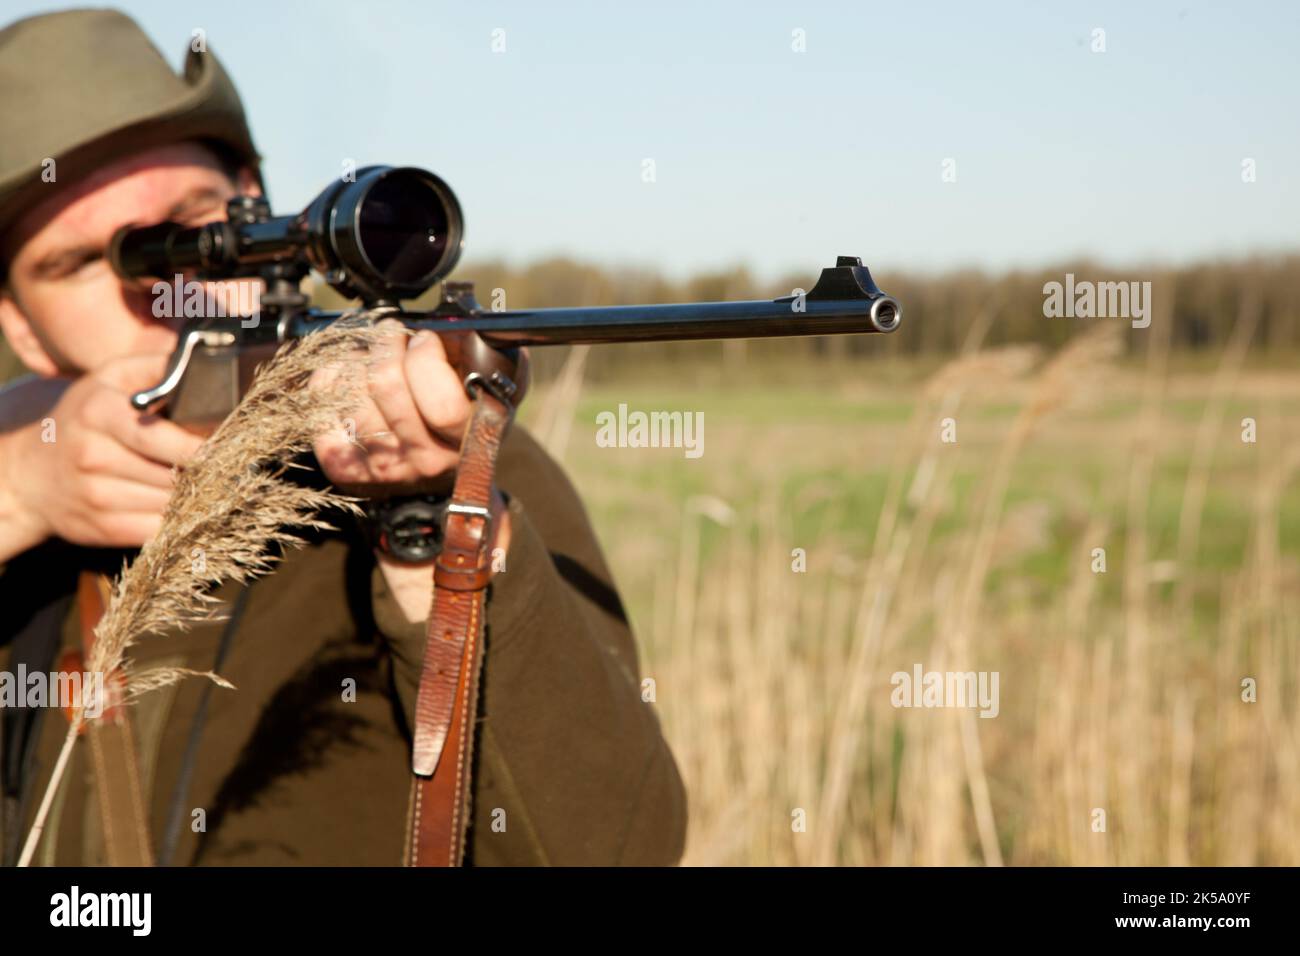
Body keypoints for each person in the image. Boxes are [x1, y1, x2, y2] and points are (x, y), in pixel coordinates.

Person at [0, 8, 686, 866]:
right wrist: (21, 490)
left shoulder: (437, 450)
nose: (170, 282)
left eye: (193, 222)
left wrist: (431, 519)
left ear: (252, 208)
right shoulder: (25, 482)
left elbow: (620, 849)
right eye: (79, 263)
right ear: (21, 330)